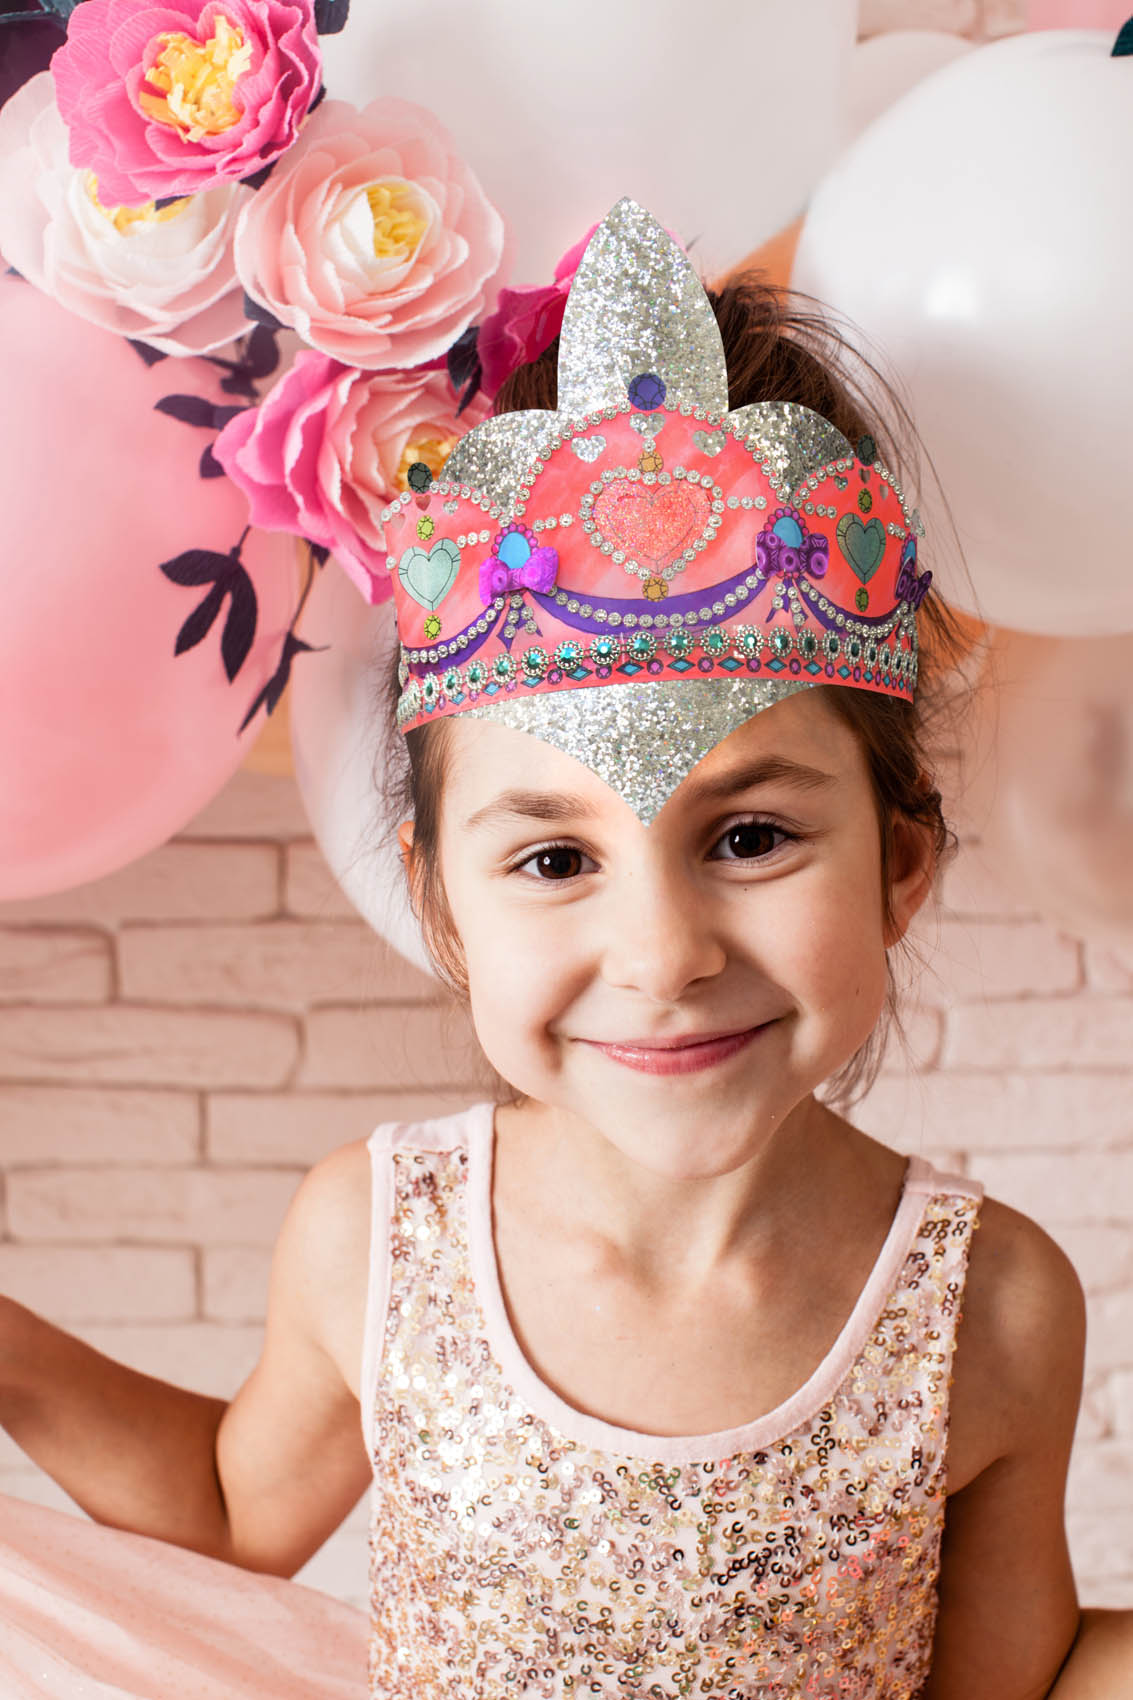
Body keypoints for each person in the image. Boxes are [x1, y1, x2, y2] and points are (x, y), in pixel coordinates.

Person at [0, 200, 1129, 1700]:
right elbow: (225, 1507)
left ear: (900, 865)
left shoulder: (994, 1306)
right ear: (447, 909)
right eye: (552, 860)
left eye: (747, 838)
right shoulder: (378, 1239)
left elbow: (1014, 1680)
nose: (659, 954)